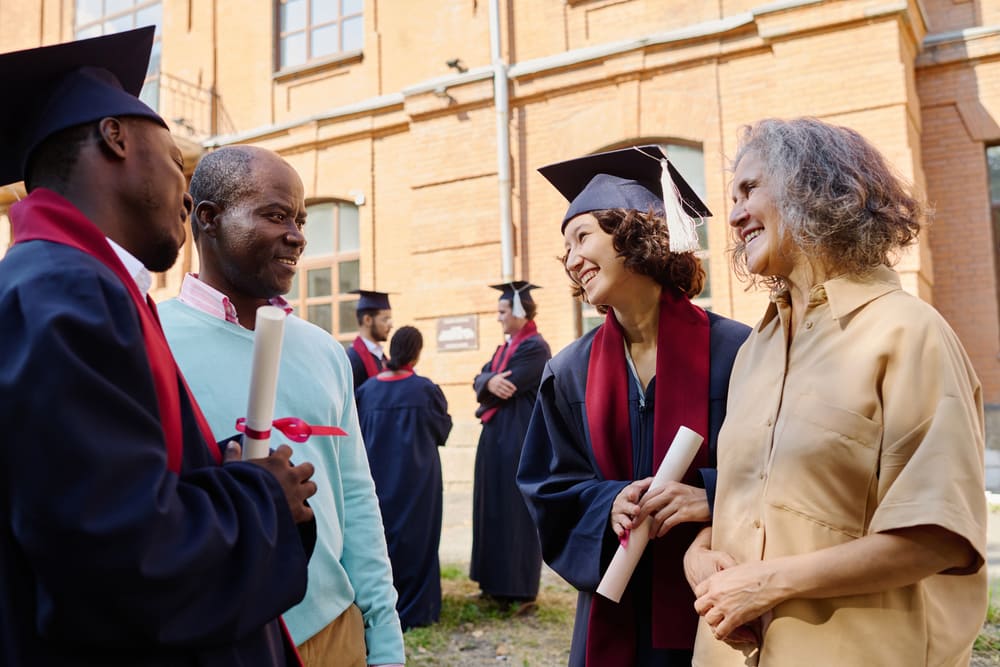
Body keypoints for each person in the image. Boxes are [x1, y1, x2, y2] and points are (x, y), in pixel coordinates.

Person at [0, 29, 318, 666]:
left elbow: (121, 486)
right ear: (116, 137)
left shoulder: (85, 284)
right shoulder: (63, 294)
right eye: (178, 162)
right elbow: (117, 553)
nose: (185, 186)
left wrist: (216, 473)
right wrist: (262, 495)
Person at [687, 118, 988, 667]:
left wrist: (768, 584)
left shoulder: (909, 333)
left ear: (813, 187)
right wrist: (698, 554)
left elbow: (939, 536)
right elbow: (748, 497)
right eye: (731, 198)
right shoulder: (755, 348)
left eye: (749, 190)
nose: (731, 216)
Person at [159, 145, 405, 667]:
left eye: (300, 218)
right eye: (275, 215)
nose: (297, 235)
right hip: (219, 636)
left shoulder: (323, 351)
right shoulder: (149, 341)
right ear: (208, 217)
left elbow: (355, 497)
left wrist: (382, 633)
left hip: (332, 627)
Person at [517, 145, 751, 667]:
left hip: (713, 588)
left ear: (632, 233)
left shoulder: (737, 351)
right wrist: (608, 504)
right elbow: (548, 484)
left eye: (583, 237)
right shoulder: (568, 370)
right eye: (566, 247)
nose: (572, 260)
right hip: (612, 595)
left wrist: (709, 495)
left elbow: (781, 465)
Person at [356, 325, 453, 630]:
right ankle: (418, 611)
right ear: (416, 353)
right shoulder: (424, 390)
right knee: (419, 542)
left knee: (381, 542)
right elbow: (442, 431)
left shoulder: (367, 391)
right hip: (418, 481)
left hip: (376, 480)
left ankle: (383, 608)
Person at [470, 281, 552, 607]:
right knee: (490, 508)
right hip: (495, 437)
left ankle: (518, 589)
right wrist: (487, 380)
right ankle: (492, 584)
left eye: (503, 311)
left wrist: (488, 381)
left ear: (519, 311)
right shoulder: (505, 347)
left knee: (515, 513)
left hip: (518, 440)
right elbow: (483, 379)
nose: (499, 317)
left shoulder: (535, 347)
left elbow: (510, 385)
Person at [347, 289, 393, 393]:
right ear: (367, 320)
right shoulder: (352, 359)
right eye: (385, 319)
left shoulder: (383, 357)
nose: (391, 325)